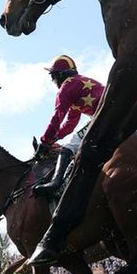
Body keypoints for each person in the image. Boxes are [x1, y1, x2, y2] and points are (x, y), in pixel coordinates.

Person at [33, 55, 104, 196]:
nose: (52, 81)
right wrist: (54, 139)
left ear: (60, 75)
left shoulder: (67, 87)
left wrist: (44, 142)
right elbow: (70, 124)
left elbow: (57, 117)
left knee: (68, 147)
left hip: (102, 115)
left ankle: (56, 183)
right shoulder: (78, 85)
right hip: (113, 111)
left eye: (53, 76)